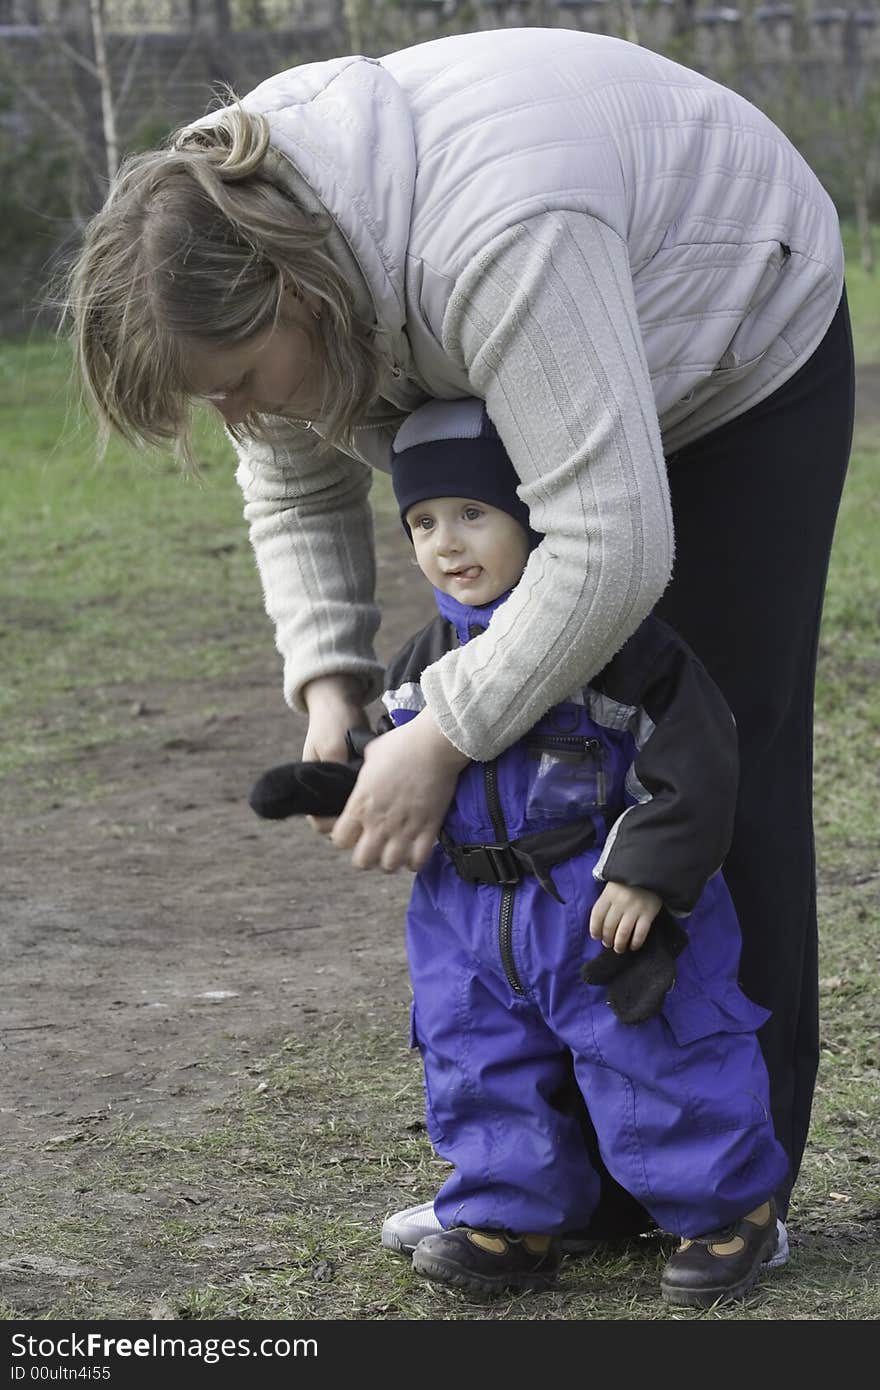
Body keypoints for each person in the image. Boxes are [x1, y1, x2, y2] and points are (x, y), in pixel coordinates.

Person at [65, 27, 853, 1248]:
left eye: (233, 380)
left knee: (697, 748)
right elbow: (287, 475)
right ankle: (552, 1187)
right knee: (533, 752)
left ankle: (726, 1190)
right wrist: (331, 680)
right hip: (508, 346)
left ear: (295, 296)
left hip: (729, 328)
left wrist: (437, 727)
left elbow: (610, 550)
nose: (232, 415)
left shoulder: (496, 238)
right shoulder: (233, 237)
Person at [368, 395, 785, 1303]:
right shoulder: (416, 667)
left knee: (656, 1058)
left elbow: (696, 765)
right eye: (423, 521)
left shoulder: (624, 653)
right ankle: (509, 1217)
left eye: (474, 514)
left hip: (595, 909)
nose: (447, 542)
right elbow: (393, 772)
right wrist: (336, 789)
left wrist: (647, 875)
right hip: (467, 921)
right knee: (478, 1062)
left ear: (532, 516)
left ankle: (729, 1213)